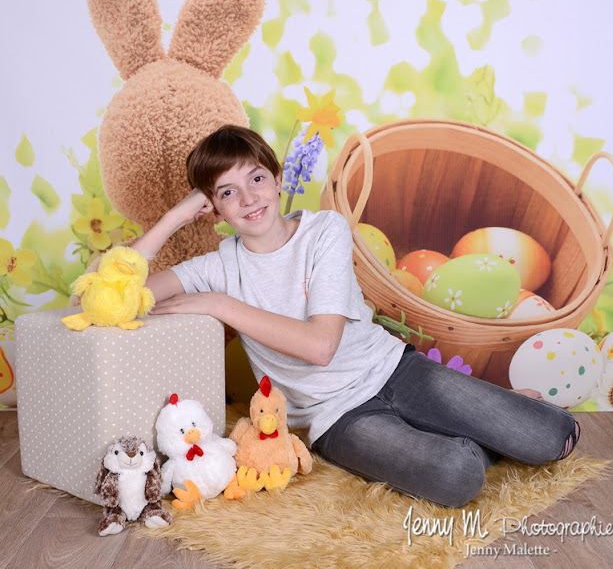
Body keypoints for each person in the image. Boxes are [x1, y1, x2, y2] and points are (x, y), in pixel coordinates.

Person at [134, 124, 580, 508]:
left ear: (277, 177)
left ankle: (490, 417)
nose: (249, 199)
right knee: (457, 476)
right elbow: (103, 292)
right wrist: (176, 215)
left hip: (395, 370)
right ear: (212, 206)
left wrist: (221, 305)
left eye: (256, 179)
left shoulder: (324, 230)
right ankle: (474, 429)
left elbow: (320, 346)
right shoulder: (218, 267)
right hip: (335, 418)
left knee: (551, 438)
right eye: (228, 193)